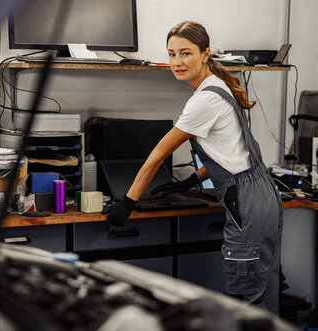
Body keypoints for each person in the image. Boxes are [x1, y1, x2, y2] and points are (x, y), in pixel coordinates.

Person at [101, 21, 283, 314]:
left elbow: (158, 154)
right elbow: (230, 153)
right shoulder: (217, 86)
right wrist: (190, 181)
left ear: (205, 54)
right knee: (263, 286)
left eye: (185, 53)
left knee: (245, 297)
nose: (177, 62)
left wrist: (128, 201)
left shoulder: (204, 100)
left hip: (247, 201)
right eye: (172, 54)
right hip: (261, 195)